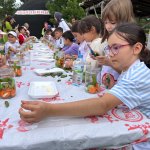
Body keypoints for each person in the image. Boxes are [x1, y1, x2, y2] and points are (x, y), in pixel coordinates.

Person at [19, 23, 150, 124]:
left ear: (137, 48)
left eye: (116, 48)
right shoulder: (131, 69)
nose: (110, 54)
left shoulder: (137, 75)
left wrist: (49, 110)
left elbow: (102, 105)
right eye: (109, 48)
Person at [95, 0, 135, 89]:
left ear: (125, 21)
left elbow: (130, 73)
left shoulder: (128, 45)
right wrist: (100, 58)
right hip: (106, 87)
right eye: (105, 22)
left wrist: (110, 63)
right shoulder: (109, 39)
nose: (108, 26)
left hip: (120, 92)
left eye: (113, 23)